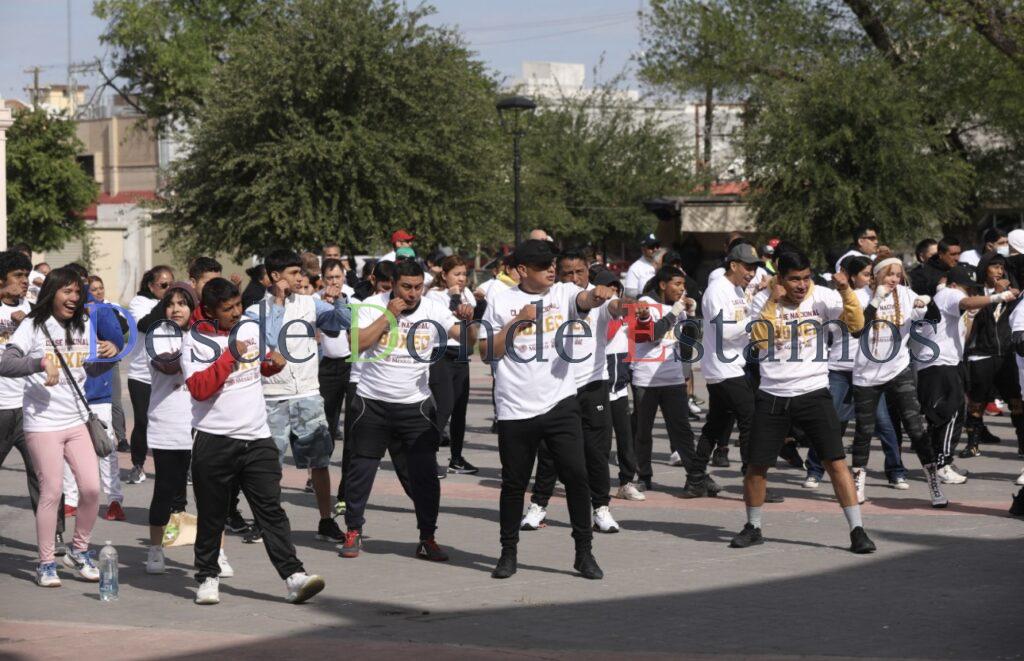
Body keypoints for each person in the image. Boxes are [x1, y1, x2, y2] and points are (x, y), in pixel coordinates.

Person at [182, 277, 325, 605]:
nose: (236, 312)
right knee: (212, 515)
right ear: (209, 310)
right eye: (227, 309)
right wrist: (230, 356)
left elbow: (258, 365)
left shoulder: (247, 327)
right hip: (214, 440)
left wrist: (271, 365)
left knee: (271, 510)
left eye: (238, 305)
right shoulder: (195, 342)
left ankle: (294, 576)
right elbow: (199, 388)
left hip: (257, 437)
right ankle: (207, 577)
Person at [483, 239, 615, 581]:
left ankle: (583, 553)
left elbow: (583, 299)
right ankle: (508, 552)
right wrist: (516, 324)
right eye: (543, 266)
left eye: (552, 264)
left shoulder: (562, 293)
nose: (551, 270)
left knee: (576, 476)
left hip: (560, 403)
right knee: (514, 484)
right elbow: (486, 351)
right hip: (515, 409)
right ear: (522, 271)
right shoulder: (501, 299)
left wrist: (596, 295)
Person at [730, 251, 876, 553]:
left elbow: (857, 323)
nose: (801, 285)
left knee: (835, 462)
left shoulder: (823, 295)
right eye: (794, 279)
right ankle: (753, 526)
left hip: (813, 391)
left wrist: (845, 289)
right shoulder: (763, 300)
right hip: (773, 393)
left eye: (806, 278)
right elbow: (760, 341)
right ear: (780, 278)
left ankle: (857, 530)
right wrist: (773, 300)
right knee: (756, 466)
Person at [339, 259, 474, 561]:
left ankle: (428, 537)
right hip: (371, 403)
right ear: (393, 284)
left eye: (418, 287)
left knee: (424, 477)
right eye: (406, 287)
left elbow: (469, 344)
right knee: (361, 471)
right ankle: (353, 530)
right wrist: (388, 316)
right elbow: (356, 345)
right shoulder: (371, 305)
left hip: (415, 406)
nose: (413, 294)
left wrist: (466, 322)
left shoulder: (434, 309)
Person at [0, 267, 119, 586]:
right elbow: (5, 363)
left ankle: (79, 551)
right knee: (51, 490)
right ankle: (46, 562)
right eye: (67, 292)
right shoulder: (34, 326)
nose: (73, 298)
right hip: (42, 424)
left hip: (77, 420)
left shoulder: (83, 323)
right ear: (52, 292)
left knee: (92, 489)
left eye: (77, 293)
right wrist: (39, 363)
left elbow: (89, 370)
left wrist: (109, 355)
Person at [244, 249, 352, 545]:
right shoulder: (256, 310)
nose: (300, 278)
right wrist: (278, 302)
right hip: (271, 397)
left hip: (307, 394)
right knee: (269, 465)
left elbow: (339, 324)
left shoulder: (310, 303)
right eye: (294, 273)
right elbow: (271, 341)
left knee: (318, 461)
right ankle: (265, 522)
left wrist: (338, 298)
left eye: (300, 273)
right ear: (276, 277)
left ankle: (326, 521)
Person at [521, 255, 631, 533]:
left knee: (596, 451)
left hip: (593, 385)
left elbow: (616, 308)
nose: (573, 278)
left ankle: (601, 509)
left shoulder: (600, 297)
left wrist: (620, 302)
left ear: (588, 272)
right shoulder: (553, 297)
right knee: (549, 452)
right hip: (557, 386)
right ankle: (538, 506)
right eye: (567, 272)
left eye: (579, 272)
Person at [143, 281, 234, 578]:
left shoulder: (204, 335)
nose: (175, 308)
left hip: (203, 424)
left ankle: (217, 553)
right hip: (167, 425)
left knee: (212, 494)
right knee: (165, 490)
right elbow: (167, 365)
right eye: (170, 303)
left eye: (182, 303)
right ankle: (155, 550)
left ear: (193, 307)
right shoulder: (158, 334)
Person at [802, 256, 909, 490]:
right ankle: (814, 470)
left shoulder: (883, 295)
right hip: (841, 368)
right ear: (851, 276)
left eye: (872, 273)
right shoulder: (845, 297)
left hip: (869, 373)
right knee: (832, 420)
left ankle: (896, 471)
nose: (870, 278)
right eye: (865, 274)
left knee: (883, 423)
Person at [849, 257, 948, 506]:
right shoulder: (860, 295)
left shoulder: (905, 293)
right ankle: (858, 483)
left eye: (898, 275)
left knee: (915, 427)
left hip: (898, 368)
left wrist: (926, 301)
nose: (894, 279)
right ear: (877, 275)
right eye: (889, 274)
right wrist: (876, 300)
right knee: (864, 430)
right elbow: (858, 329)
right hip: (866, 374)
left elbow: (933, 318)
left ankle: (933, 483)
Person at [915, 266, 1017, 485]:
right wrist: (998, 296)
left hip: (943, 362)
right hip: (940, 363)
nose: (970, 293)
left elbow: (964, 333)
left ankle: (939, 462)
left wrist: (970, 315)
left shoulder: (948, 302)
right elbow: (966, 302)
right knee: (952, 413)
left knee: (942, 415)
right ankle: (942, 464)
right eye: (967, 288)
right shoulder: (950, 293)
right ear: (954, 285)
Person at [0, 250, 68, 556]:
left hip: (33, 409)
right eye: (17, 277)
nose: (24, 282)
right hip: (0, 408)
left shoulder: (36, 312)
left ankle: (55, 539)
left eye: (26, 276)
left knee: (46, 477)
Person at [689, 243, 763, 498]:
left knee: (715, 425)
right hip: (724, 369)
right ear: (733, 265)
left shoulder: (736, 290)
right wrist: (755, 321)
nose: (751, 273)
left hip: (731, 366)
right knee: (750, 420)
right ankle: (752, 484)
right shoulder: (717, 290)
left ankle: (695, 479)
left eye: (754, 268)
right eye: (748, 267)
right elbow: (726, 330)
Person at [627, 266, 699, 492]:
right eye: (677, 284)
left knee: (682, 430)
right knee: (643, 431)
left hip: (673, 376)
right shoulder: (644, 303)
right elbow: (651, 334)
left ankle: (694, 475)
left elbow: (688, 343)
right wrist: (674, 313)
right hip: (647, 378)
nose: (681, 289)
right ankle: (643, 475)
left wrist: (692, 317)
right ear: (662, 284)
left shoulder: (677, 307)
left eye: (683, 285)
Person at [961, 252, 1023, 458]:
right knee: (977, 401)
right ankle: (972, 444)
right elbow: (972, 318)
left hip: (1006, 355)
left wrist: (1010, 294)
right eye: (994, 266)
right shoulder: (975, 292)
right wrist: (995, 294)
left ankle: (1022, 443)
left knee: (1016, 401)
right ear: (984, 268)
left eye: (1001, 267)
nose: (999, 271)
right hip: (981, 353)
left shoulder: (1013, 293)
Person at [426, 255, 479, 475]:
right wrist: (454, 296)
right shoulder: (434, 295)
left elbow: (470, 318)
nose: (461, 278)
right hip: (441, 353)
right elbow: (450, 316)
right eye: (456, 274)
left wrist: (460, 296)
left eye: (464, 274)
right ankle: (428, 457)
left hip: (461, 354)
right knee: (444, 406)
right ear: (444, 275)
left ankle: (456, 457)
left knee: (459, 409)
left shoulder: (467, 294)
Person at [124, 265, 176, 484]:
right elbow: (146, 324)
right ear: (150, 285)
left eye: (172, 285)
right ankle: (137, 465)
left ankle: (179, 466)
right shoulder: (139, 303)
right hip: (142, 374)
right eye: (164, 285)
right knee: (143, 421)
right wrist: (166, 303)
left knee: (173, 421)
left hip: (168, 374)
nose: (168, 289)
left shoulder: (176, 304)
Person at [317, 258, 353, 442]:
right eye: (329, 277)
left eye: (338, 276)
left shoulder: (353, 296)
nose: (334, 281)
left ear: (344, 276)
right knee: (328, 415)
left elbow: (349, 323)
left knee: (353, 418)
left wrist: (339, 300)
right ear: (322, 279)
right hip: (328, 363)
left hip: (351, 362)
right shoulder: (316, 299)